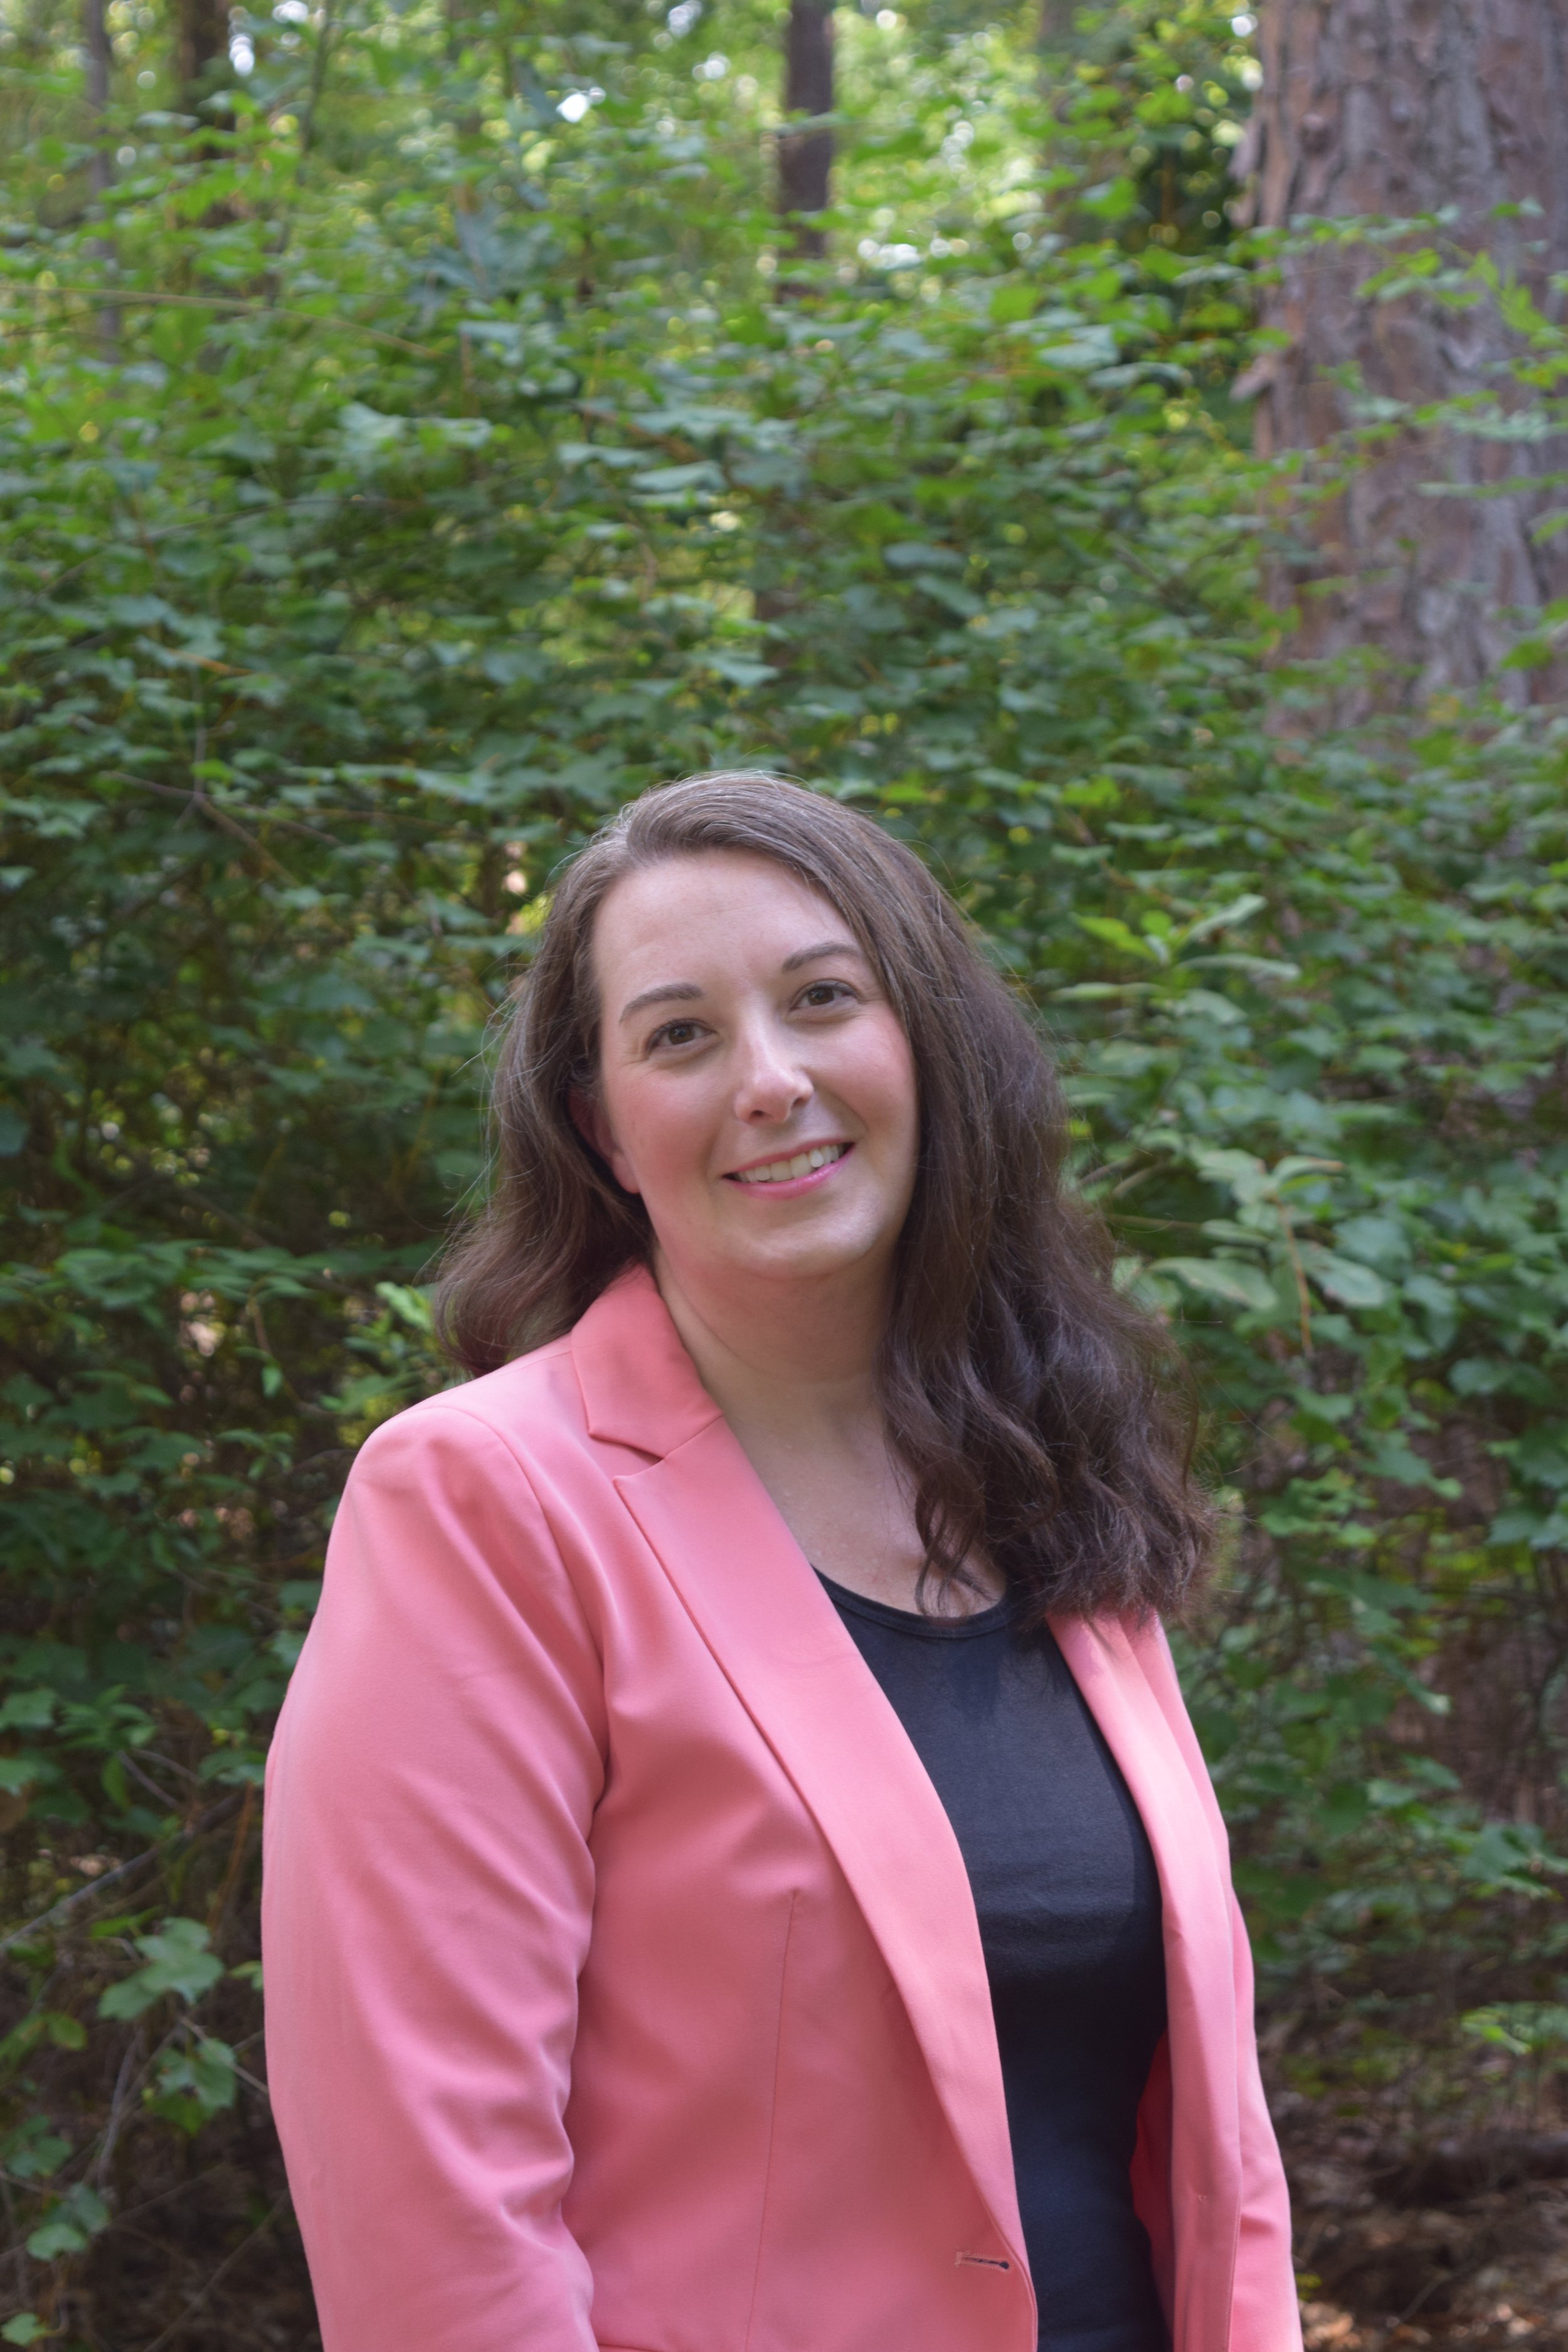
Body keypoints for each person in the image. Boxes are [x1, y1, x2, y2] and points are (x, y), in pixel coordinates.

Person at [262, 771, 1300, 2352]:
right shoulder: (486, 1503)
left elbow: (1218, 2144)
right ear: (604, 1129)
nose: (769, 1081)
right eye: (680, 1035)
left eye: (822, 999)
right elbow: (431, 2206)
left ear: (926, 1046)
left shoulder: (1039, 1467)